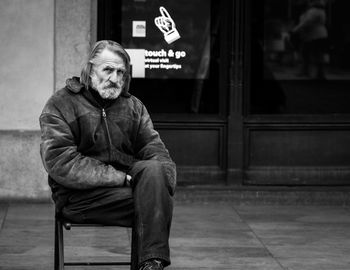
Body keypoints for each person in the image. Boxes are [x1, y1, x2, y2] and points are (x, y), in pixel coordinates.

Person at [39, 40, 176, 270]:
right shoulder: (60, 104)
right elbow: (60, 161)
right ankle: (151, 260)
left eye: (121, 71)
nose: (115, 77)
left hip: (126, 192)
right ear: (90, 70)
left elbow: (155, 149)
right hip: (80, 199)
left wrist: (165, 179)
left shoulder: (133, 107)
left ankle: (152, 264)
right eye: (108, 69)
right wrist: (120, 178)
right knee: (153, 202)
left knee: (154, 173)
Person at [292, 0, 328, 79]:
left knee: (313, 53)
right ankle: (312, 72)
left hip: (315, 35)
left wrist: (296, 29)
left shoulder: (313, 11)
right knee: (309, 53)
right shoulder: (319, 11)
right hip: (314, 35)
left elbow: (307, 22)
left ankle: (318, 73)